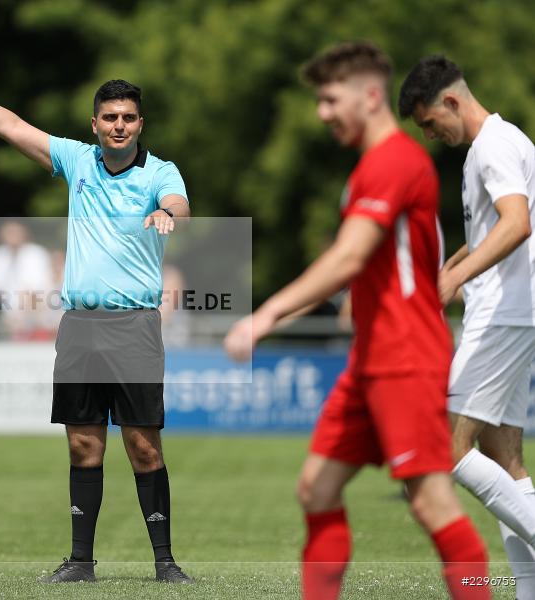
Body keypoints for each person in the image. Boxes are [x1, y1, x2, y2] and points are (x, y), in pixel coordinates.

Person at [224, 42, 490, 600]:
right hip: (372, 359)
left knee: (431, 503)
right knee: (316, 489)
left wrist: (265, 314)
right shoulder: (370, 168)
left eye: (329, 99)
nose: (321, 113)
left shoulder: (395, 161)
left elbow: (347, 256)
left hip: (407, 358)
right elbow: (350, 267)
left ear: (370, 96)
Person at [0, 41, 193, 583]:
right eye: (110, 118)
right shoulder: (75, 160)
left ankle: (165, 563)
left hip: (135, 326)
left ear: (141, 124)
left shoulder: (161, 173)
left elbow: (180, 204)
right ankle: (81, 563)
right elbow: (8, 125)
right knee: (82, 441)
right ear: (94, 124)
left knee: (142, 444)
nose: (119, 126)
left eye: (129, 118)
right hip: (80, 329)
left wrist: (166, 211)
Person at [399, 55, 535, 596]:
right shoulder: (508, 141)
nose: (431, 135)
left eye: (430, 123)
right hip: (511, 312)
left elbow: (517, 224)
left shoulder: (492, 147)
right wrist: (449, 270)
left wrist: (455, 283)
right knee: (506, 460)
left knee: (443, 449)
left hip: (501, 315)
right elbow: (494, 231)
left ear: (451, 101)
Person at [0, 221, 53, 341]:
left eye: (16, 232)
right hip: (10, 323)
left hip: (38, 321)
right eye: (9, 233)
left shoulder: (36, 254)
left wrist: (24, 313)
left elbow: (41, 287)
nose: (12, 236)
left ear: (24, 234)